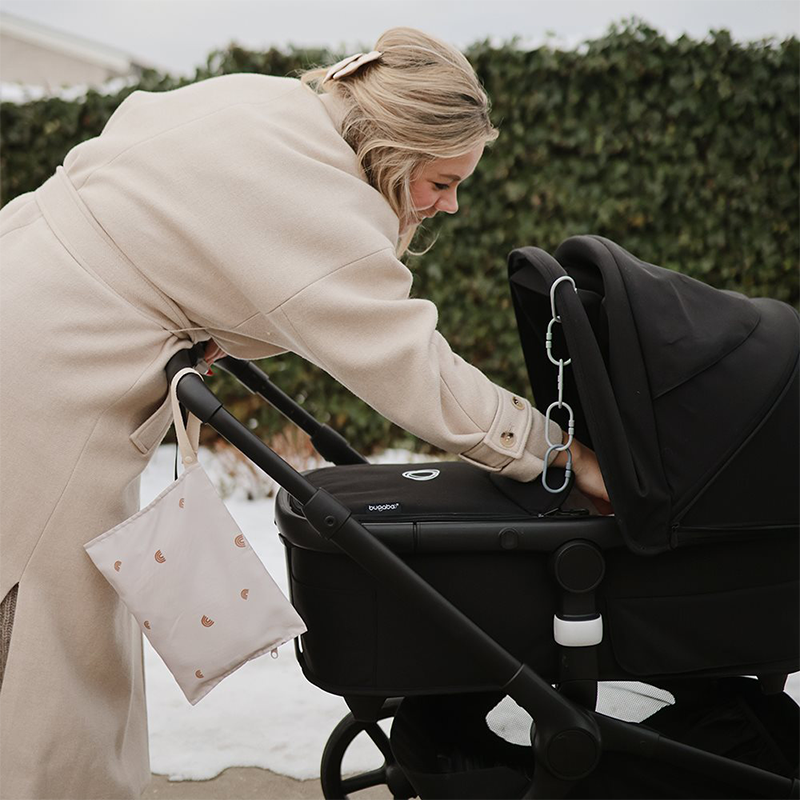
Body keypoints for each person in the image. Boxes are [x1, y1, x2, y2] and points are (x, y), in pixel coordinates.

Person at [0, 27, 608, 799]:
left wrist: (175, 304)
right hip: (46, 385)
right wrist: (559, 452)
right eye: (442, 181)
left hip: (19, 283)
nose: (449, 205)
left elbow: (144, 183)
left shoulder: (266, 102)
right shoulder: (326, 212)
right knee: (43, 648)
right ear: (396, 146)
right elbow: (417, 372)